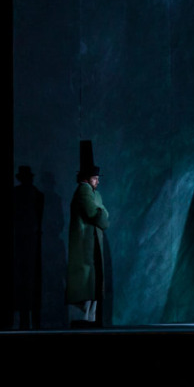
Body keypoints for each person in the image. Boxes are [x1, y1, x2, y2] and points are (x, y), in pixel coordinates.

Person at [66, 140, 109, 327]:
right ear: (87, 178)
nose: (98, 181)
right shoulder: (84, 192)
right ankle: (85, 321)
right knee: (87, 284)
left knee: (91, 285)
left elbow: (102, 215)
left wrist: (102, 214)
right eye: (95, 178)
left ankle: (88, 320)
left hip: (90, 244)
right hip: (86, 245)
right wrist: (103, 214)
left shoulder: (91, 193)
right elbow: (95, 214)